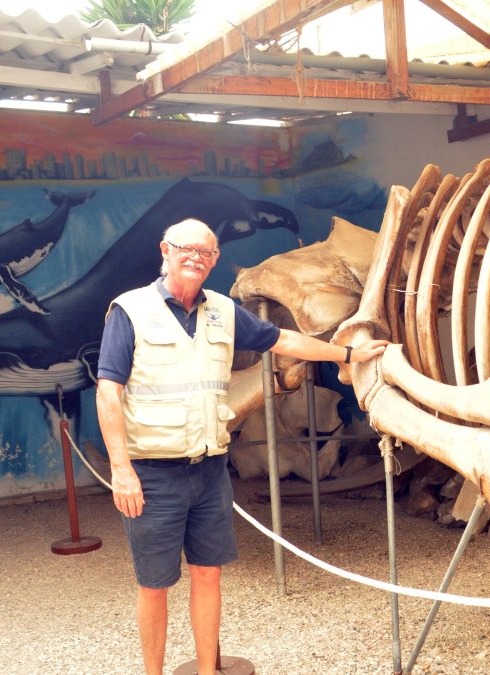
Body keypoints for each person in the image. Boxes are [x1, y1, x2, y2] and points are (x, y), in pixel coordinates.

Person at [95, 217, 388, 675]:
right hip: (151, 473)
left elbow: (283, 339)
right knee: (154, 584)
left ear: (213, 260)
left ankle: (208, 670)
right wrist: (121, 469)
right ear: (165, 250)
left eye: (206, 252)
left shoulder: (222, 311)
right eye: (185, 248)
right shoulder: (129, 311)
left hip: (209, 470)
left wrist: (347, 354)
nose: (195, 257)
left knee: (208, 573)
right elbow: (107, 390)